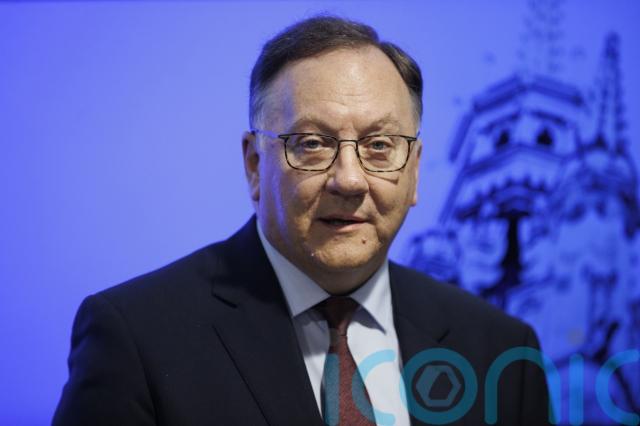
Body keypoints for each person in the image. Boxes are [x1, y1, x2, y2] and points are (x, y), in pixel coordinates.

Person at [53, 16, 551, 426]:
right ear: (254, 164)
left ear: (414, 171)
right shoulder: (137, 338)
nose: (349, 180)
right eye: (312, 144)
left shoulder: (501, 351)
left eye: (380, 146)